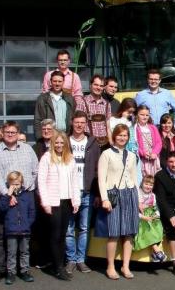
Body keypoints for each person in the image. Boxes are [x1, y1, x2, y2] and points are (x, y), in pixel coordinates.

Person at [0, 121, 39, 283]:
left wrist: (26, 188)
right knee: (0, 234)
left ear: (18, 133)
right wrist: (7, 194)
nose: (10, 134)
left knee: (23, 235)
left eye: (13, 132)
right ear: (2, 133)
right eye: (7, 132)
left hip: (25, 195)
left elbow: (35, 171)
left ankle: (23, 270)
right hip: (4, 196)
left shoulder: (28, 149)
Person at [95, 124, 140, 280]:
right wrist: (104, 199)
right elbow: (101, 179)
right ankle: (110, 266)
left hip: (130, 194)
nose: (122, 138)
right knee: (113, 233)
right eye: (119, 135)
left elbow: (135, 178)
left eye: (125, 135)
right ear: (114, 136)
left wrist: (138, 200)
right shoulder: (106, 154)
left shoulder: (132, 155)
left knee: (129, 233)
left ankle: (126, 266)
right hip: (113, 194)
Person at [37, 131, 79, 281]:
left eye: (62, 142)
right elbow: (41, 182)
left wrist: (76, 200)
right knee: (55, 235)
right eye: (57, 142)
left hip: (67, 201)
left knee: (62, 235)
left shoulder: (70, 159)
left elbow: (75, 182)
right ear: (53, 144)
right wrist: (45, 202)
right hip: (53, 202)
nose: (59, 145)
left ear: (66, 144)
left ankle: (59, 264)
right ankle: (58, 267)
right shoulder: (46, 158)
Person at [65, 111, 101, 274]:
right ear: (72, 122)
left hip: (87, 192)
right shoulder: (64, 141)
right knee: (69, 229)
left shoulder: (93, 143)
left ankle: (81, 260)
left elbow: (97, 170)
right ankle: (71, 259)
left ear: (86, 123)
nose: (79, 125)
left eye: (82, 122)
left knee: (84, 228)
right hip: (68, 192)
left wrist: (98, 193)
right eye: (77, 122)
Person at [0, 171, 36, 284]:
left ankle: (25, 271)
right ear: (9, 184)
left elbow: (32, 211)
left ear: (21, 183)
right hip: (11, 229)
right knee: (11, 252)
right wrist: (8, 195)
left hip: (24, 229)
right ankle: (11, 272)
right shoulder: (6, 197)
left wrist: (28, 224)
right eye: (13, 184)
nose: (15, 186)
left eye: (17, 184)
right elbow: (2, 208)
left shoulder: (27, 195)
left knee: (25, 251)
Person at [76, 74, 118, 147]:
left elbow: (108, 126)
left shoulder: (106, 104)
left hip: (104, 144)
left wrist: (111, 143)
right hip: (88, 143)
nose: (98, 88)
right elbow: (78, 125)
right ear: (90, 85)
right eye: (96, 85)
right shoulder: (82, 102)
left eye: (101, 86)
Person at [35, 71, 77, 138]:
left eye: (60, 81)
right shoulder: (42, 99)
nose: (57, 84)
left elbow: (74, 118)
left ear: (63, 82)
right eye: (55, 81)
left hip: (66, 137)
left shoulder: (70, 98)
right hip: (49, 137)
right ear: (51, 82)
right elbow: (37, 120)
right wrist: (39, 139)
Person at [134, 176, 166, 262]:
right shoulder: (138, 194)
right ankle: (157, 251)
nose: (148, 186)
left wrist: (156, 215)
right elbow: (134, 211)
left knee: (157, 227)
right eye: (146, 184)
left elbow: (156, 208)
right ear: (142, 184)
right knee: (147, 230)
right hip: (141, 218)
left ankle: (155, 253)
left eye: (151, 185)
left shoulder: (152, 195)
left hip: (150, 218)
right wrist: (143, 217)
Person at [133, 105, 163, 182]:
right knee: (144, 179)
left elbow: (158, 142)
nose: (145, 117)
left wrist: (154, 153)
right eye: (142, 114)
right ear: (137, 115)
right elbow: (134, 144)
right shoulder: (134, 128)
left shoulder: (153, 127)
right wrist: (142, 153)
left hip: (153, 159)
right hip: (142, 159)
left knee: (154, 179)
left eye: (147, 115)